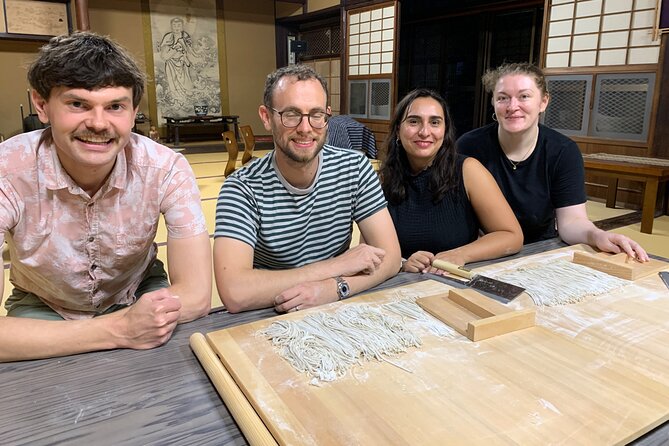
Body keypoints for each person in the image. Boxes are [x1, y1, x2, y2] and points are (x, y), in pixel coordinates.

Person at [0, 32, 212, 362]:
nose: (99, 123)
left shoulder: (165, 168)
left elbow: (196, 296)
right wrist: (119, 330)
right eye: (77, 104)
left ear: (133, 111)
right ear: (42, 105)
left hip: (140, 293)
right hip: (45, 304)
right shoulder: (8, 170)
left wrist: (133, 321)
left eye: (115, 106)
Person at [213, 65, 401, 313]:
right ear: (267, 117)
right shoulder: (241, 189)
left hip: (338, 307)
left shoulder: (354, 168)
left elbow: (391, 257)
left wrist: (334, 288)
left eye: (316, 114)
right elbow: (236, 292)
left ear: (327, 116)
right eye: (291, 114)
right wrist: (336, 267)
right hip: (272, 313)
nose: (305, 128)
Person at [457, 62, 648, 261]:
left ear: (543, 102)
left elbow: (571, 221)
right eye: (503, 98)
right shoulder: (469, 146)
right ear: (494, 103)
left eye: (524, 96)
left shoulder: (563, 151)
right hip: (480, 251)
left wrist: (598, 235)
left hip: (540, 250)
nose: (513, 107)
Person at [380, 88, 523, 273]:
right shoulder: (383, 179)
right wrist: (401, 263)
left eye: (435, 122)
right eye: (414, 121)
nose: (424, 132)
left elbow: (511, 236)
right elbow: (372, 249)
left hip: (457, 282)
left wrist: (461, 254)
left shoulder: (468, 170)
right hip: (402, 288)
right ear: (398, 130)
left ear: (445, 131)